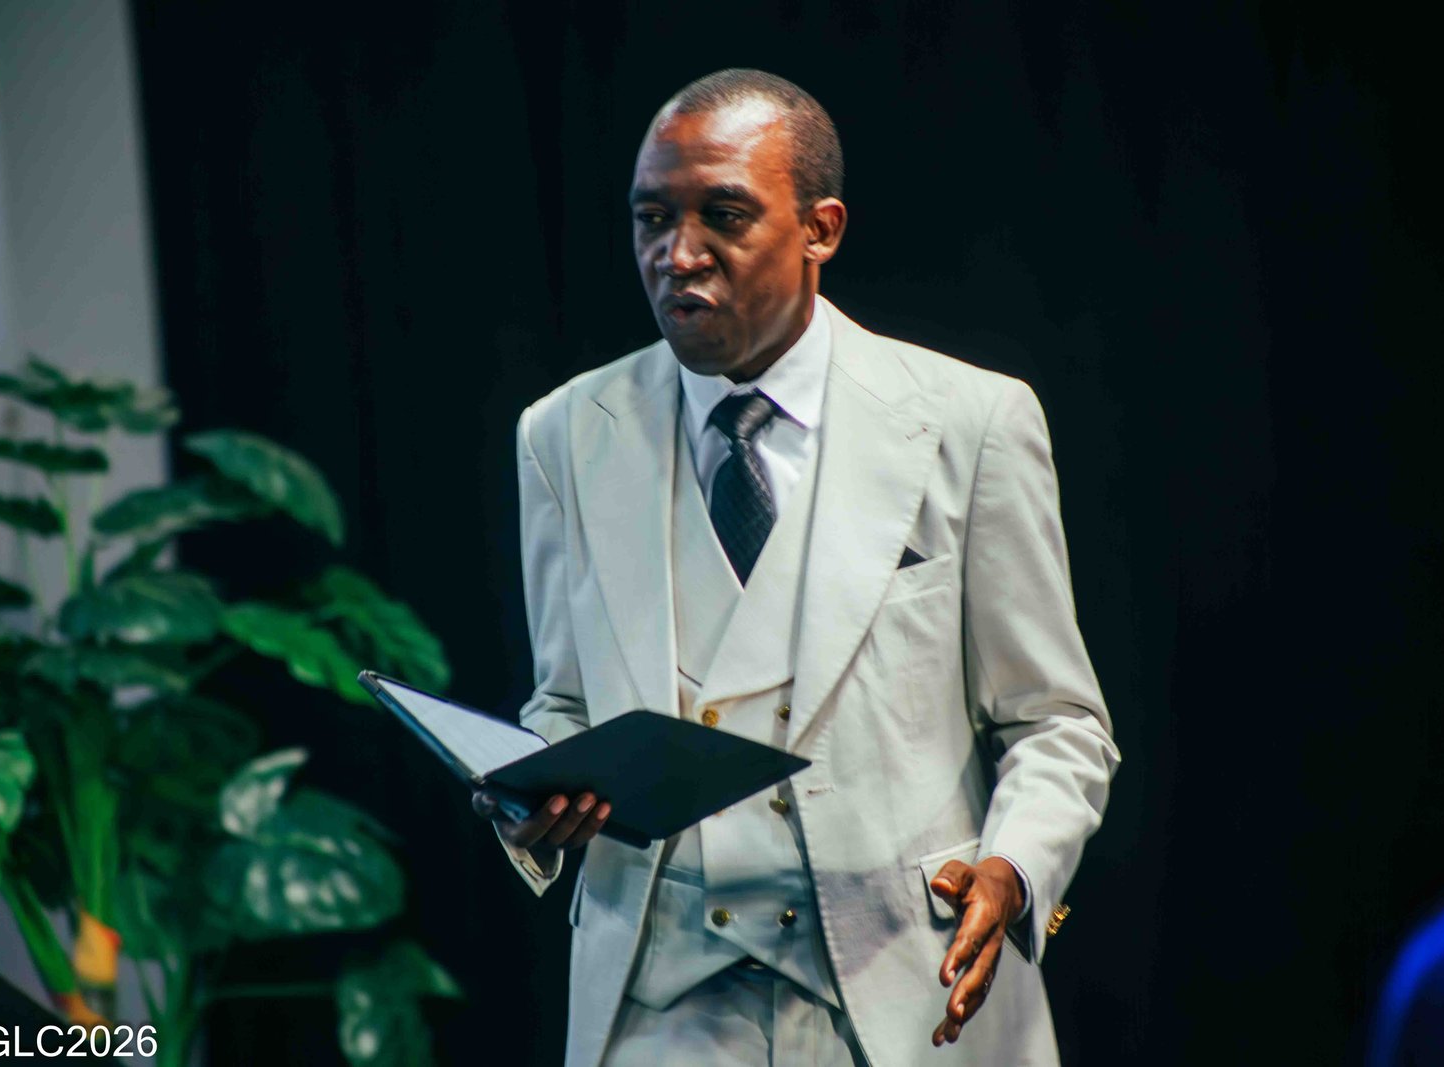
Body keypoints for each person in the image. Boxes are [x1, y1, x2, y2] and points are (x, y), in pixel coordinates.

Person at [471, 68, 1119, 1066]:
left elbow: (1056, 720)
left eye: (723, 216)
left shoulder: (968, 421)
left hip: (906, 991)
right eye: (652, 218)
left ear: (821, 229)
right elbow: (564, 700)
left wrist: (1014, 867)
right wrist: (537, 792)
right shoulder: (564, 433)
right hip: (657, 1004)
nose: (678, 254)